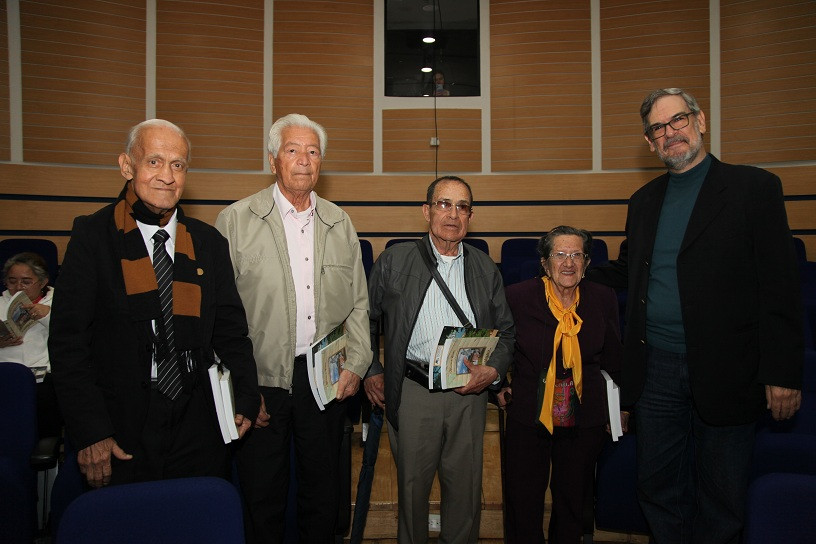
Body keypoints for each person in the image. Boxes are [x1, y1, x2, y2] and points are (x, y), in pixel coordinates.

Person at [586, 88, 803, 543]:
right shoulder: (643, 201)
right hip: (656, 369)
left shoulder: (755, 188)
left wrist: (782, 372)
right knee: (658, 487)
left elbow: (780, 286)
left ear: (700, 121)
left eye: (678, 120)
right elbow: (630, 269)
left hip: (730, 368)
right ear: (650, 143)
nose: (670, 132)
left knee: (722, 495)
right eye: (658, 128)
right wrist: (568, 270)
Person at [49, 119, 259, 489]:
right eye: (154, 162)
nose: (167, 176)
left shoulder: (208, 243)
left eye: (178, 165)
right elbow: (68, 344)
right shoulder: (93, 237)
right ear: (126, 166)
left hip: (200, 424)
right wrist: (91, 431)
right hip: (120, 428)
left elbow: (230, 332)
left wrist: (244, 399)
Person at [215, 113, 370, 544]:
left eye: (313, 151)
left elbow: (359, 303)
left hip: (325, 379)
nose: (304, 159)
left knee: (322, 492)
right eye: (292, 150)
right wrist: (243, 388)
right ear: (273, 161)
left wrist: (356, 365)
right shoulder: (235, 221)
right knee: (262, 494)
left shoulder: (340, 222)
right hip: (261, 380)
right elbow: (219, 316)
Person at [365, 175, 514, 544]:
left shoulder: (485, 268)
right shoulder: (394, 261)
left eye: (462, 207)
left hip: (469, 395)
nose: (453, 214)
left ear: (470, 217)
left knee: (465, 492)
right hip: (414, 392)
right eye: (444, 204)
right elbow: (364, 320)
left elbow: (507, 333)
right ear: (426, 211)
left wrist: (493, 370)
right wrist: (371, 369)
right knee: (411, 491)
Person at [499, 226, 625, 543]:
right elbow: (498, 347)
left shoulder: (602, 298)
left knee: (573, 499)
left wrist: (620, 408)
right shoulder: (517, 297)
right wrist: (499, 385)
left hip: (585, 415)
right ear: (545, 262)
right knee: (523, 498)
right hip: (529, 412)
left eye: (576, 255)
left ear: (587, 262)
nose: (568, 263)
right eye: (559, 255)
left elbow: (613, 355)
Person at [1, 252, 62, 438]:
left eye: (26, 282)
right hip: (5, 373)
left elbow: (73, 334)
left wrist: (47, 315)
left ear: (42, 282)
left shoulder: (60, 302)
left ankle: (46, 446)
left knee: (48, 394)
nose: (18, 287)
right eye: (12, 281)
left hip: (44, 374)